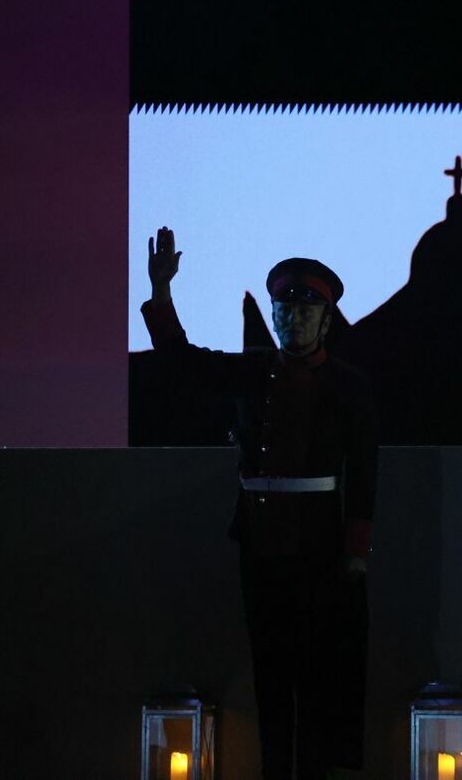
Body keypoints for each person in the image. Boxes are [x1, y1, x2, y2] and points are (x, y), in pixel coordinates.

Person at [143, 226, 377, 779]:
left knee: (318, 680)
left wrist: (355, 550)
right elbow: (181, 360)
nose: (293, 320)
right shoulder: (251, 372)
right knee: (270, 677)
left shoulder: (348, 386)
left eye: (305, 311)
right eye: (284, 310)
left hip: (321, 547)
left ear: (325, 319)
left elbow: (365, 473)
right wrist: (162, 291)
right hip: (261, 545)